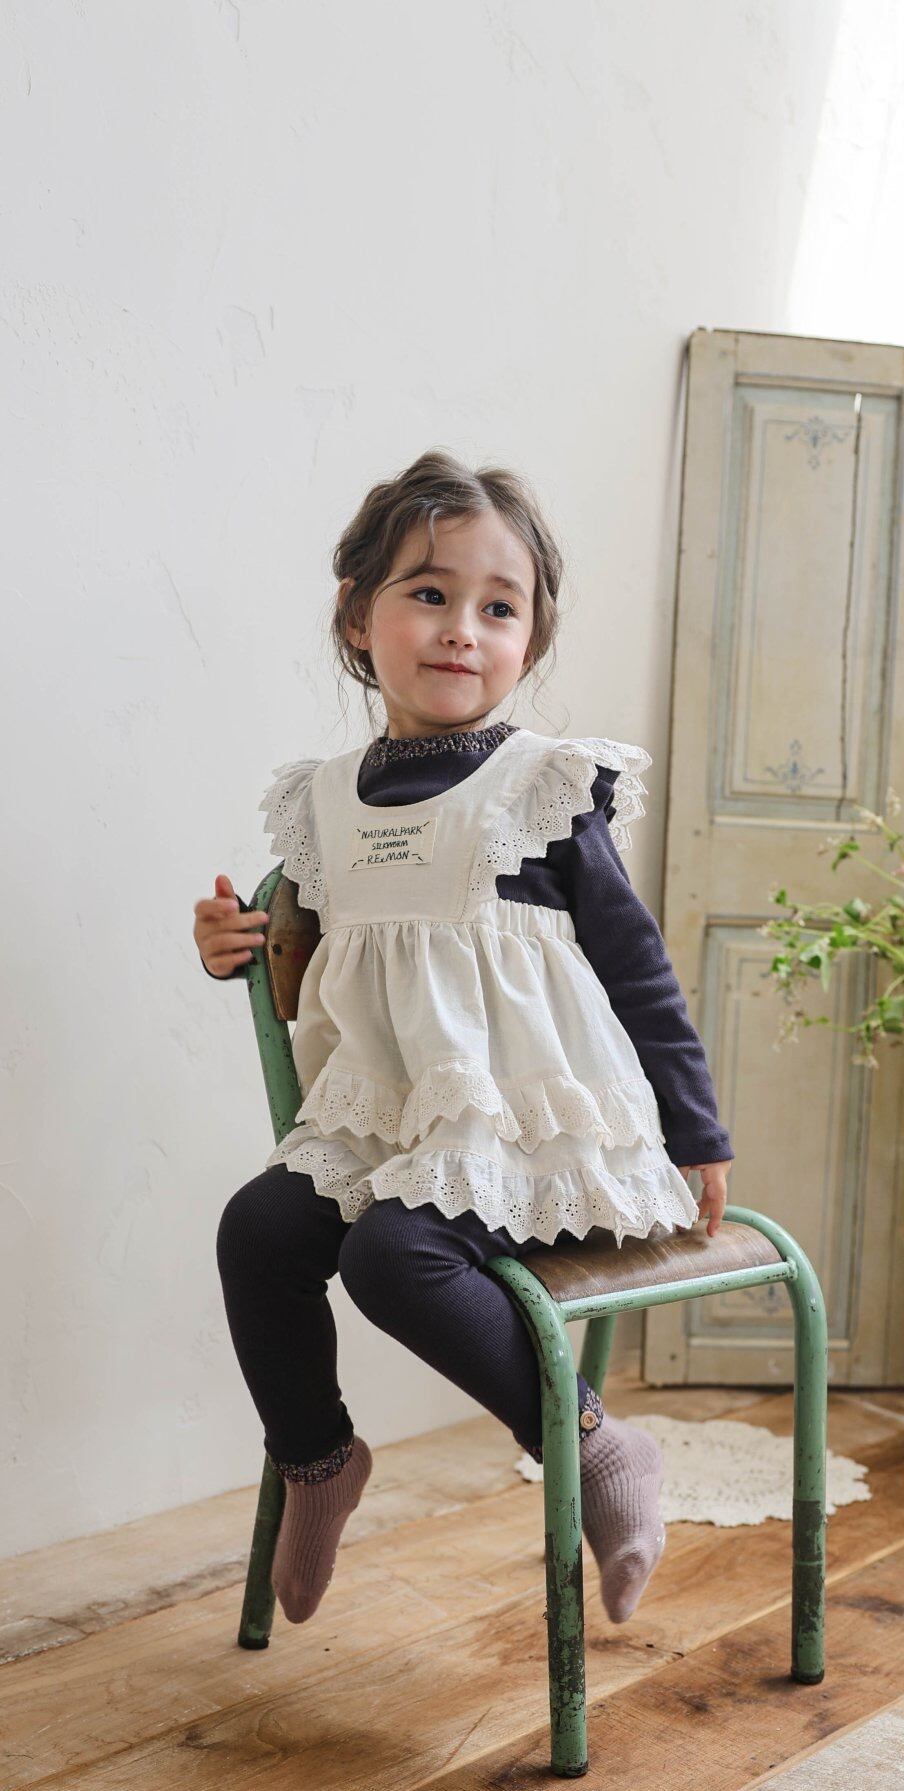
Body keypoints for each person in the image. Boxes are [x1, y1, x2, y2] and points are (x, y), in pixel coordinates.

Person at [195, 449, 733, 1631]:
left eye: (499, 608)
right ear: (358, 615)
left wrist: (694, 1129)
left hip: (530, 1126)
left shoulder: (544, 788)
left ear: (529, 641)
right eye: (429, 594)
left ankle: (593, 1446)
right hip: (390, 1121)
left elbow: (637, 968)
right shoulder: (324, 802)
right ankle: (317, 1457)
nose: (461, 629)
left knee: (395, 1259)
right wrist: (235, 944)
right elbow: (303, 966)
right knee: (258, 1230)